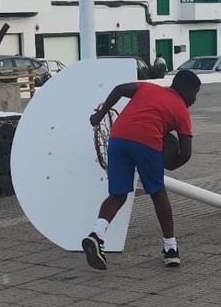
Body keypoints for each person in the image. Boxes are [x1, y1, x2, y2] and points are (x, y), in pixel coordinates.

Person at [81, 70, 201, 271]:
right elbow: (186, 153)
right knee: (158, 193)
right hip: (147, 141)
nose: (194, 100)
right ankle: (171, 248)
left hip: (118, 139)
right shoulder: (181, 111)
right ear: (186, 91)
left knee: (117, 194)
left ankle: (97, 235)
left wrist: (99, 116)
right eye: (195, 94)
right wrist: (169, 164)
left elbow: (119, 89)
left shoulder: (148, 88)